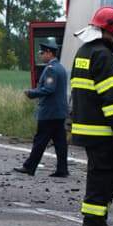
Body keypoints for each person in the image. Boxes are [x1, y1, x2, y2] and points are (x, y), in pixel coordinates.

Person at [70, 6, 113, 226]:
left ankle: (93, 221)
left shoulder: (83, 52)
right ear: (107, 30)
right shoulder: (103, 55)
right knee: (104, 176)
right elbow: (110, 98)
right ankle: (94, 225)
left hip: (85, 126)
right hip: (101, 129)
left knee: (97, 174)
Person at [13, 37, 69, 177]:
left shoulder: (51, 70)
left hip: (49, 112)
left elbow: (48, 89)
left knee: (40, 140)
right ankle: (62, 169)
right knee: (60, 142)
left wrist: (32, 93)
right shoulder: (60, 68)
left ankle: (30, 167)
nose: (40, 55)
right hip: (59, 111)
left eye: (42, 53)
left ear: (49, 53)